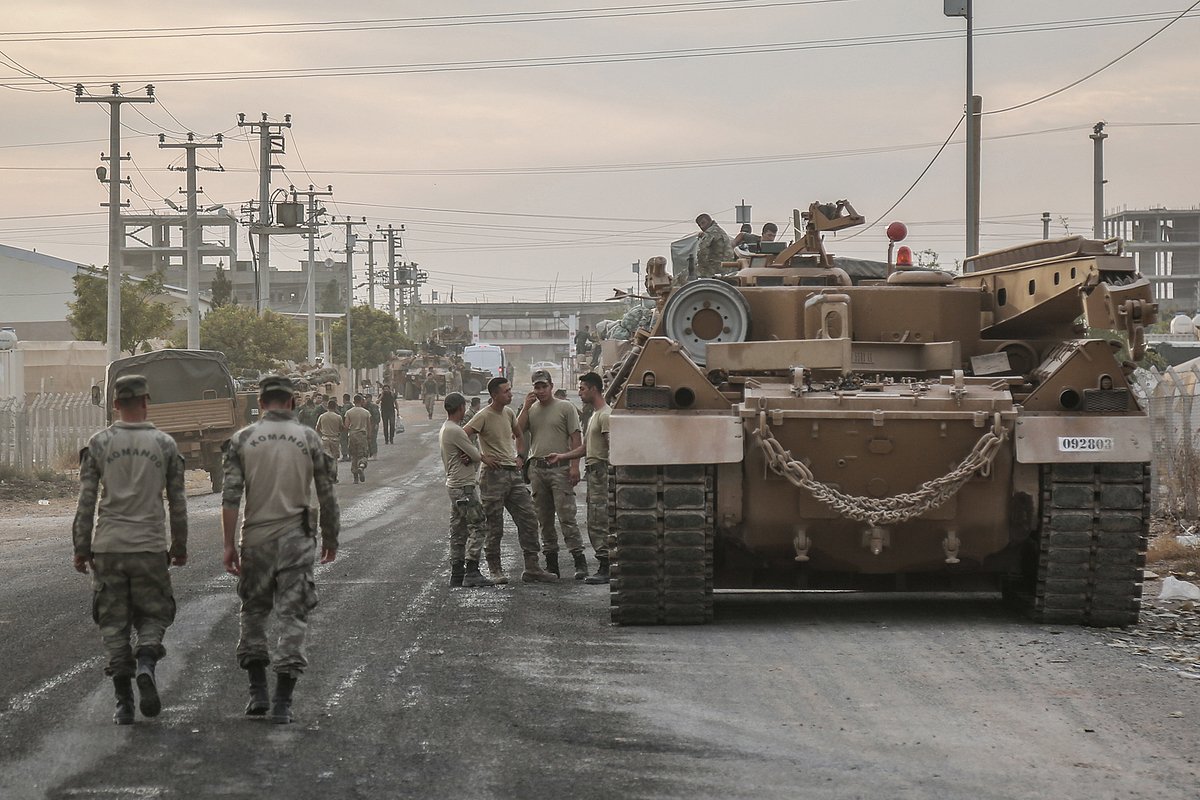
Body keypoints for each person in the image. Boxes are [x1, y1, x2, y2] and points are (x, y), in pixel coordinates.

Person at [221, 374, 339, 725]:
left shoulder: (243, 439)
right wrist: (331, 537)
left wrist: (228, 545)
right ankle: (283, 700)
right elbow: (327, 494)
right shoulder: (309, 438)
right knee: (293, 615)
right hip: (297, 541)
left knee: (254, 612)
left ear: (260, 402)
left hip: (255, 539)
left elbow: (230, 498)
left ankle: (257, 691)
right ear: (292, 402)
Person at [72, 374, 188, 725]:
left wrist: (81, 547)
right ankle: (147, 662)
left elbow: (86, 501)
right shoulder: (165, 444)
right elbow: (178, 503)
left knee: (113, 625)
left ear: (116, 404)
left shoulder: (99, 443)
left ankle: (123, 704)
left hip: (108, 548)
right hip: (150, 548)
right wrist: (179, 545)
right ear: (146, 401)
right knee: (153, 615)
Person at [463, 376, 557, 584]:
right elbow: (463, 435)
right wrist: (480, 456)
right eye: (505, 391)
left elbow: (519, 435)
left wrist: (520, 456)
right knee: (494, 525)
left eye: (509, 390)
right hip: (492, 476)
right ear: (494, 395)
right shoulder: (483, 415)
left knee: (529, 519)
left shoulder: (508, 413)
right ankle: (495, 569)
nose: (510, 394)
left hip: (512, 474)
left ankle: (532, 567)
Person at [516, 369, 587, 580]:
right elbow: (516, 432)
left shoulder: (565, 408)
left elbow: (576, 439)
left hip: (560, 469)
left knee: (567, 517)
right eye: (536, 387)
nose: (540, 391)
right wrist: (526, 407)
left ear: (551, 386)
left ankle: (579, 561)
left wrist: (575, 466)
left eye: (543, 386)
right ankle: (551, 564)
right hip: (538, 470)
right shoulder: (531, 410)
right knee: (544, 520)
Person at [548, 372, 610, 583]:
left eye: (583, 388)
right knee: (594, 519)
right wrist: (563, 456)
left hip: (601, 472)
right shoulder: (595, 415)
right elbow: (586, 447)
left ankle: (606, 565)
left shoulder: (605, 415)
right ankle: (604, 564)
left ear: (593, 389)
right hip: (594, 472)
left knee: (599, 519)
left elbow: (612, 447)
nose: (580, 392)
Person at [439, 391, 494, 589]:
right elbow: (476, 455)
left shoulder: (447, 428)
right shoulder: (456, 430)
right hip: (464, 486)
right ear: (461, 407)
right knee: (478, 524)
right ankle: (471, 570)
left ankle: (457, 573)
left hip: (455, 485)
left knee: (458, 529)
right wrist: (488, 458)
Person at [695, 213, 734, 277]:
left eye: (703, 223)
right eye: (700, 225)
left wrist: (699, 267)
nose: (702, 227)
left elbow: (702, 253)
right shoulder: (720, 231)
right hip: (727, 268)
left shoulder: (710, 232)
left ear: (709, 221)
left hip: (714, 269)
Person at [345, 394, 373, 484]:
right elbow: (369, 426)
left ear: (354, 401)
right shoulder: (366, 412)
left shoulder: (349, 412)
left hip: (352, 435)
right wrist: (369, 436)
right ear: (361, 401)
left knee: (354, 456)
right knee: (363, 455)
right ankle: (361, 467)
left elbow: (346, 426)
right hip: (362, 435)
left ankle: (355, 478)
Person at [315, 398, 345, 483]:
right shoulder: (338, 417)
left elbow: (317, 428)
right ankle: (334, 477)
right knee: (334, 459)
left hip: (325, 439)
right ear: (335, 407)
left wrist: (322, 433)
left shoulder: (322, 416)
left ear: (327, 407)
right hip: (335, 439)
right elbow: (341, 428)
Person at [338, 393, 353, 462]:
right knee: (350, 441)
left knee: (343, 440)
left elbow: (343, 414)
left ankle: (344, 455)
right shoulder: (352, 406)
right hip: (352, 425)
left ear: (344, 399)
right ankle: (351, 455)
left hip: (345, 425)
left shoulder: (345, 406)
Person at [366, 393, 381, 458]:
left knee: (373, 439)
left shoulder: (373, 406)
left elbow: (377, 416)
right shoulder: (364, 406)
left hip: (373, 424)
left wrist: (376, 424)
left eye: (367, 398)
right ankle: (369, 453)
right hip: (367, 425)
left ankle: (374, 453)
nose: (366, 400)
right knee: (367, 440)